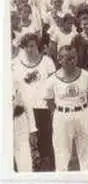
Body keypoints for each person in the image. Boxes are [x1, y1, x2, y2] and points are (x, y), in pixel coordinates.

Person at [44, 46, 88, 171]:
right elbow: (49, 100)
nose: (71, 61)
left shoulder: (86, 75)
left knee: (86, 154)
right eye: (67, 59)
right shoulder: (52, 79)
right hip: (62, 115)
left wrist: (83, 109)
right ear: (59, 59)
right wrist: (57, 113)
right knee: (62, 155)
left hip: (82, 113)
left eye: (73, 58)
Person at [12, 33, 56, 171]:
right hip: (25, 110)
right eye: (26, 47)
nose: (29, 49)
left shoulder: (47, 61)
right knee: (25, 143)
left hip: (43, 107)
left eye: (32, 46)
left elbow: (53, 85)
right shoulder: (16, 64)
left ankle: (48, 170)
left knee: (46, 141)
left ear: (38, 46)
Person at [13, 63, 38, 172]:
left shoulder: (14, 75)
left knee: (25, 163)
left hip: (18, 120)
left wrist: (32, 129)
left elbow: (27, 103)